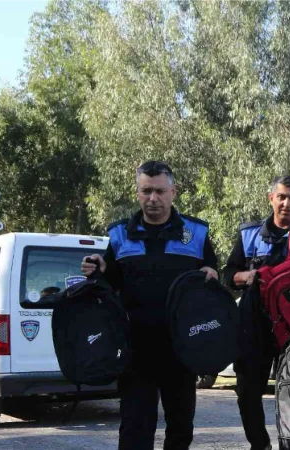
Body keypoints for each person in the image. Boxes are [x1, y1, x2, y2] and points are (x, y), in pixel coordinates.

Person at [81, 161, 218, 450]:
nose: (152, 199)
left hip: (181, 349)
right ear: (138, 192)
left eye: (159, 191)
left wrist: (213, 275)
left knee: (181, 427)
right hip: (136, 350)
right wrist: (98, 269)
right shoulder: (119, 235)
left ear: (173, 192)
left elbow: (214, 277)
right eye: (146, 191)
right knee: (135, 428)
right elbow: (109, 284)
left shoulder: (197, 233)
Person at [223, 175, 290, 450]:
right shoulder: (248, 234)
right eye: (281, 197)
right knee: (247, 394)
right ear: (270, 198)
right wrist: (249, 276)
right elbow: (228, 276)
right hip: (253, 328)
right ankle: (260, 445)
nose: (287, 203)